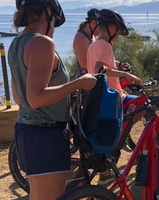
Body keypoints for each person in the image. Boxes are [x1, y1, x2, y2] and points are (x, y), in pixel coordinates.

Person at [7, 0, 96, 199]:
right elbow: (36, 98)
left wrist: (63, 93)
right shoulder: (42, 43)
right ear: (48, 11)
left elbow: (20, 99)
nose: (55, 26)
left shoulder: (16, 43)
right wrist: (77, 84)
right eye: (55, 20)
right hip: (45, 134)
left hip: (27, 131)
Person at [86, 8, 143, 184]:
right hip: (110, 97)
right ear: (110, 27)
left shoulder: (94, 44)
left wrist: (118, 65)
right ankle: (118, 139)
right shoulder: (104, 44)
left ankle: (106, 172)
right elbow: (99, 69)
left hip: (99, 96)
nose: (118, 35)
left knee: (135, 106)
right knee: (143, 104)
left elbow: (102, 63)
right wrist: (127, 75)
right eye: (117, 30)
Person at [73, 8, 100, 78]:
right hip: (85, 81)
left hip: (94, 77)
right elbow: (84, 64)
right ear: (93, 23)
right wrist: (104, 67)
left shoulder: (93, 36)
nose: (101, 30)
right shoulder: (81, 38)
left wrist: (118, 64)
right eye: (100, 26)